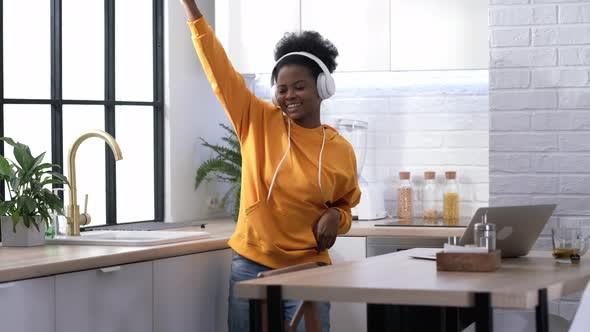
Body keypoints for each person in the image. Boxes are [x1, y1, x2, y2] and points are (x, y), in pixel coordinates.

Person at [179, 1, 361, 331]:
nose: (289, 95)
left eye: (300, 86)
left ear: (323, 88)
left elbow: (345, 207)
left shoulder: (339, 150)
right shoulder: (257, 120)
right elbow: (217, 68)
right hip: (250, 260)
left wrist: (336, 216)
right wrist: (190, 7)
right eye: (282, 88)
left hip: (310, 265)